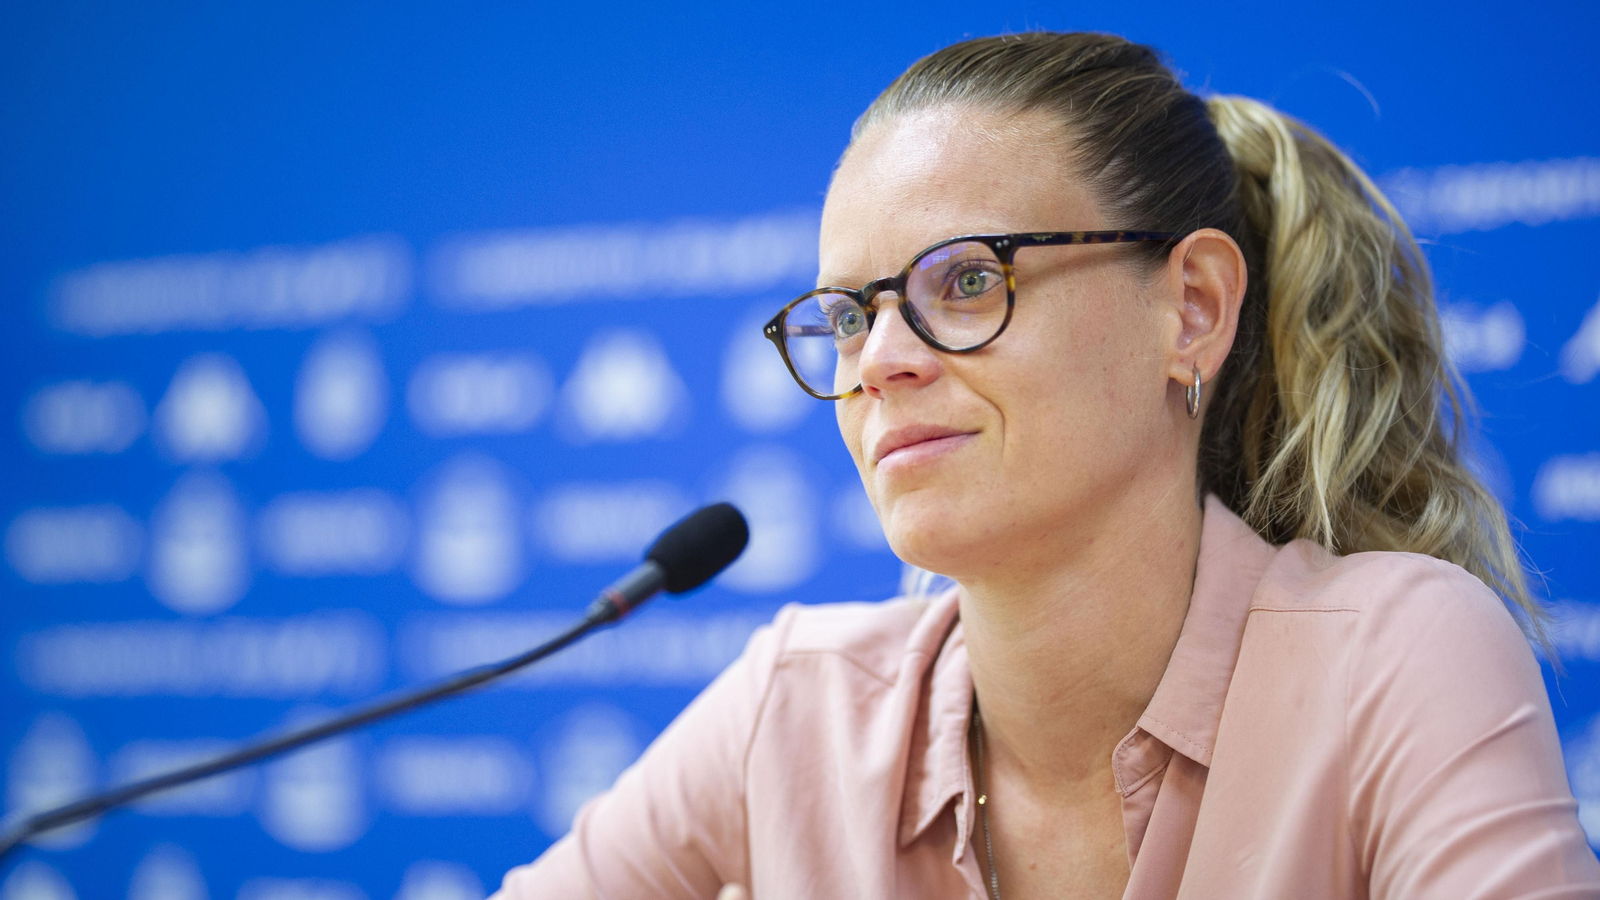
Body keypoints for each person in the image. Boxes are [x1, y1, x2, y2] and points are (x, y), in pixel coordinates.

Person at [493, 31, 1600, 899]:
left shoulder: (1392, 655)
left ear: (1192, 309)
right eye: (846, 316)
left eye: (965, 282)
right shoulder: (796, 706)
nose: (879, 362)